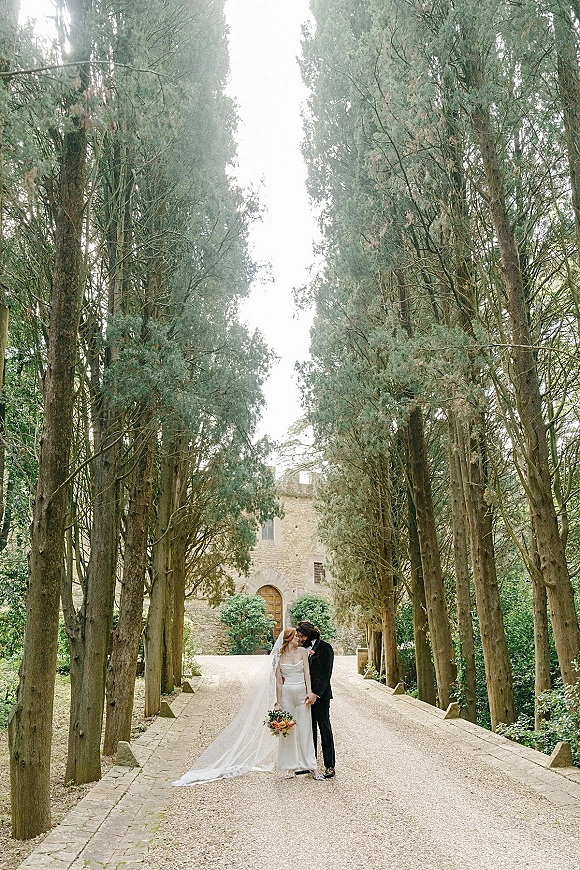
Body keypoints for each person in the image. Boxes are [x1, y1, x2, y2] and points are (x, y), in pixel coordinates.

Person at [274, 628, 324, 780]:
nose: (299, 638)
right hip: (287, 693)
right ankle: (290, 767)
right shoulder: (278, 656)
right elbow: (278, 681)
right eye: (296, 636)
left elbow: (307, 673)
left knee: (306, 729)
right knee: (287, 730)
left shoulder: (303, 652)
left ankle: (312, 767)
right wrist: (278, 702)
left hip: (302, 693)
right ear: (288, 638)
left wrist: (309, 692)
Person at [295, 620, 336, 779]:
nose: (299, 639)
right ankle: (309, 764)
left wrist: (315, 693)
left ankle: (330, 766)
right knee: (308, 731)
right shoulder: (301, 650)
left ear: (308, 634)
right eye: (297, 637)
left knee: (324, 729)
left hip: (321, 696)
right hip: (304, 697)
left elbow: (326, 675)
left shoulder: (326, 648)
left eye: (301, 636)